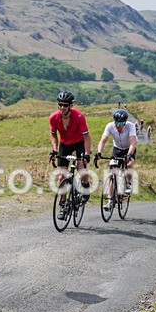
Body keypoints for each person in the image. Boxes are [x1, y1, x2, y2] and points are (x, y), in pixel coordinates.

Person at [49, 90, 92, 219]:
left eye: (65, 105)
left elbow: (87, 137)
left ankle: (85, 186)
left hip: (79, 142)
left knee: (81, 169)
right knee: (62, 177)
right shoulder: (53, 118)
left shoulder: (79, 116)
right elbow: (53, 134)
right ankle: (63, 205)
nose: (62, 108)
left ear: (71, 106)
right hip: (64, 144)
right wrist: (55, 150)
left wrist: (87, 153)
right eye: (60, 105)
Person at [95, 109, 137, 210]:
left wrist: (129, 154)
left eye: (121, 123)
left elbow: (133, 143)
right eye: (116, 123)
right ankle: (110, 200)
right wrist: (99, 152)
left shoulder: (130, 126)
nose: (118, 125)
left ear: (125, 122)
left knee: (130, 164)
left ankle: (128, 183)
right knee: (113, 171)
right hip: (117, 149)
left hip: (129, 148)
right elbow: (103, 140)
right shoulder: (109, 126)